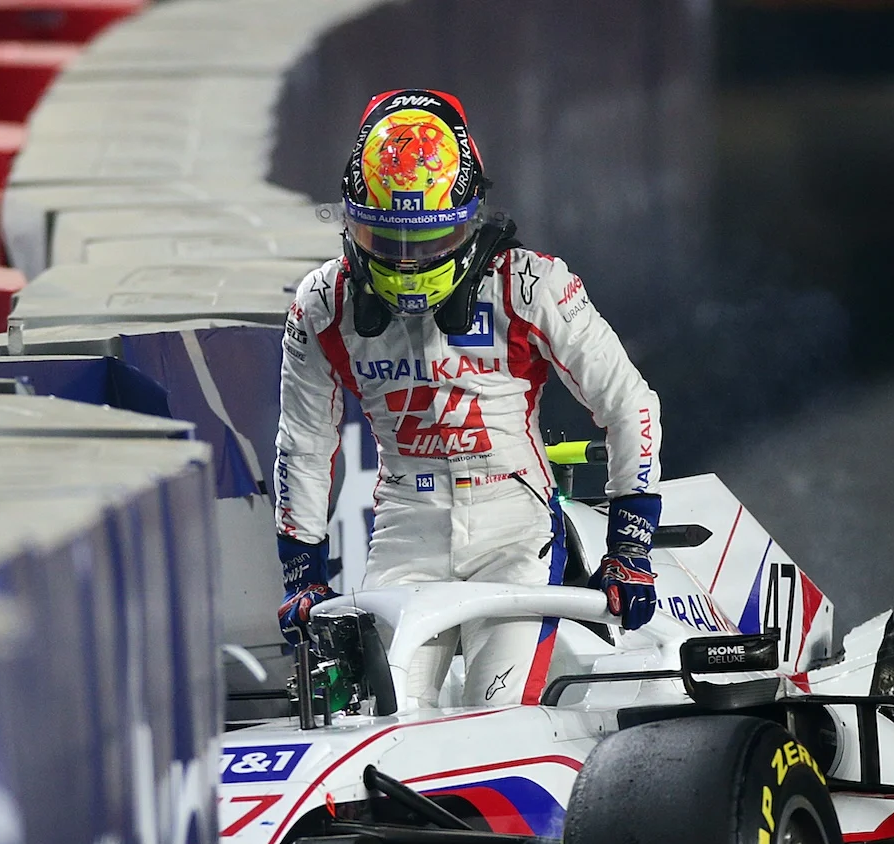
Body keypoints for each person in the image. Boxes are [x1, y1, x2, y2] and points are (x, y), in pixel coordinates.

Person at [273, 88, 663, 707]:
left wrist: (630, 547)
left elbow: (630, 404)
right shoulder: (322, 302)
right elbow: (303, 443)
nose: (407, 262)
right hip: (404, 531)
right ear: (349, 221)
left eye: (427, 240)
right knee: (383, 720)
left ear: (470, 220)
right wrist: (303, 571)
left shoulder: (531, 285)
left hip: (516, 532)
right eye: (387, 239)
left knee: (499, 712)